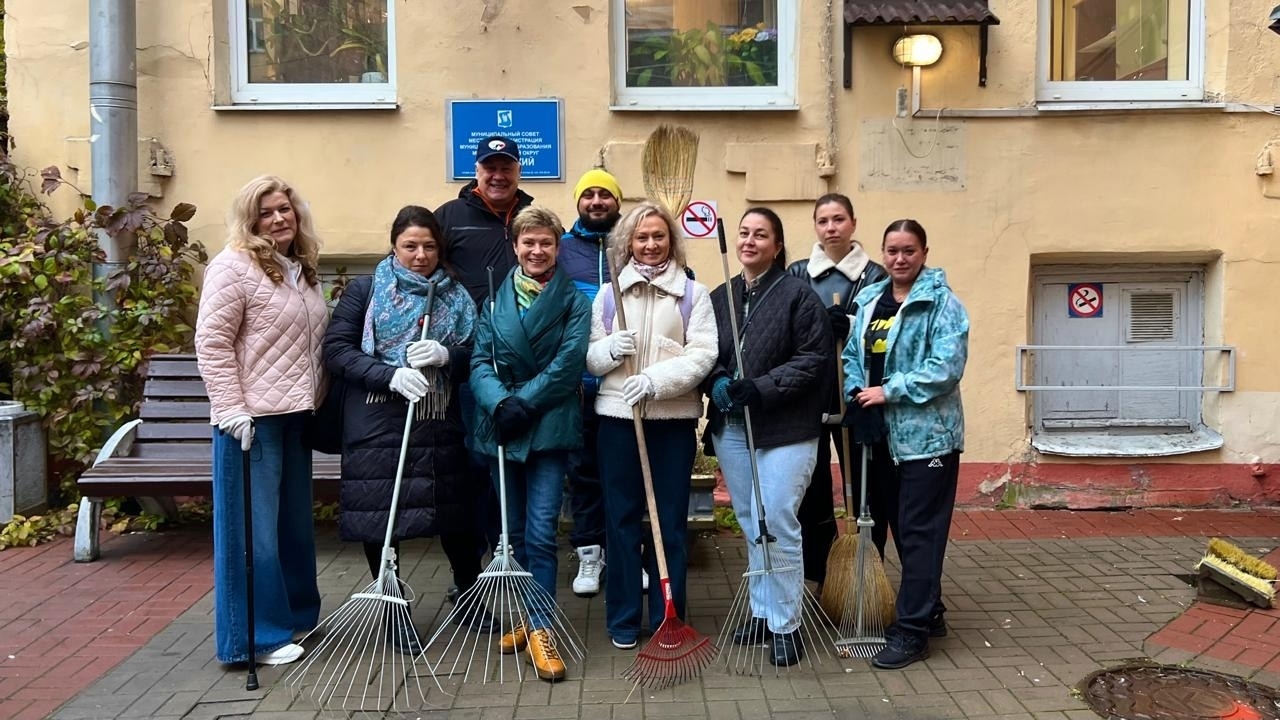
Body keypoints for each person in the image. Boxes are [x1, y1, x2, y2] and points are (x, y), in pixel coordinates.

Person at [321, 205, 494, 654]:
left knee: (456, 512)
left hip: (437, 415)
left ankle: (468, 596)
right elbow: (337, 350)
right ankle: (393, 608)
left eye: (429, 246)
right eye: (410, 246)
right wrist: (390, 374)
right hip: (377, 419)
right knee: (383, 517)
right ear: (394, 246)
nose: (420, 255)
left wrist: (447, 356)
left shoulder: (456, 296)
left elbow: (478, 352)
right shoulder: (366, 290)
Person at [195, 175, 328, 666]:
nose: (277, 219)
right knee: (253, 536)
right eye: (266, 213)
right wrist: (231, 409)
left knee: (293, 528)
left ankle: (295, 617)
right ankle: (255, 638)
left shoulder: (300, 268)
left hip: (295, 417)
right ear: (250, 220)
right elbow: (212, 343)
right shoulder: (232, 267)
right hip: (252, 422)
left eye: (284, 210)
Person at [703, 207, 834, 668]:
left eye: (761, 235)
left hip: (786, 429)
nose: (749, 241)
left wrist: (759, 388)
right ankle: (762, 612)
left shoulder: (799, 296)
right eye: (743, 233)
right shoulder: (720, 296)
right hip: (734, 430)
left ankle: (786, 623)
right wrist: (718, 381)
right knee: (751, 520)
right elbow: (705, 352)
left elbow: (813, 359)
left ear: (777, 246)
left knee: (776, 517)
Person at [585, 202, 717, 649]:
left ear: (671, 240)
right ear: (628, 242)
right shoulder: (609, 296)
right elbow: (591, 356)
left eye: (659, 235)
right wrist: (609, 351)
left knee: (670, 523)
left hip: (671, 422)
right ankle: (623, 618)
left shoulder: (693, 294)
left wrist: (655, 381)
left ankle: (667, 616)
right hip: (618, 420)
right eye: (641, 237)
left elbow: (703, 353)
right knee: (620, 521)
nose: (650, 244)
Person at [469, 206, 591, 682]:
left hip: (548, 427)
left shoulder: (573, 302)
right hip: (502, 425)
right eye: (529, 242)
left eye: (546, 243)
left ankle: (542, 628)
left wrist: (523, 402)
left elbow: (568, 363)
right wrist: (500, 403)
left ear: (557, 248)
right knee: (514, 534)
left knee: (540, 532)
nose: (537, 251)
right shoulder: (494, 300)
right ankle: (527, 614)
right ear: (515, 246)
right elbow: (480, 360)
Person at [841, 218, 969, 670]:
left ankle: (912, 632)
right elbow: (852, 355)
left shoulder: (942, 304)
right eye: (892, 251)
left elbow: (945, 368)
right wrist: (857, 392)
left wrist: (888, 391)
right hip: (882, 437)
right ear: (883, 253)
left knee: (919, 534)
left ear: (924, 253)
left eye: (908, 251)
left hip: (926, 441)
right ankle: (929, 611)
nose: (899, 259)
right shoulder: (869, 300)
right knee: (898, 527)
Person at [437, 136, 536, 576]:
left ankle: (513, 549)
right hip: (470, 364)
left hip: (522, 363)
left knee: (517, 459)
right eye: (489, 167)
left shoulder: (531, 216)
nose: (498, 176)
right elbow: (419, 269)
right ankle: (478, 561)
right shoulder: (449, 218)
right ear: (476, 171)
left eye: (506, 167)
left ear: (518, 171)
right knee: (476, 462)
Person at [786, 193, 887, 586]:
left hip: (856, 393)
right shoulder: (798, 273)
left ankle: (865, 572)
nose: (831, 228)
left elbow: (886, 326)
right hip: (812, 394)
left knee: (864, 486)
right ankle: (822, 574)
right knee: (812, 489)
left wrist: (853, 324)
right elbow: (787, 326)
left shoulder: (874, 274)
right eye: (823, 221)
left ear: (853, 223)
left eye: (839, 219)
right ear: (815, 226)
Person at [560, 168, 624, 597]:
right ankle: (589, 553)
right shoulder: (562, 249)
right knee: (583, 475)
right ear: (579, 202)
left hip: (624, 384)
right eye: (589, 194)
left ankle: (624, 554)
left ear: (617, 202)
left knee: (624, 474)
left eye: (605, 194)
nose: (596, 201)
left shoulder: (633, 243)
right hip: (579, 385)